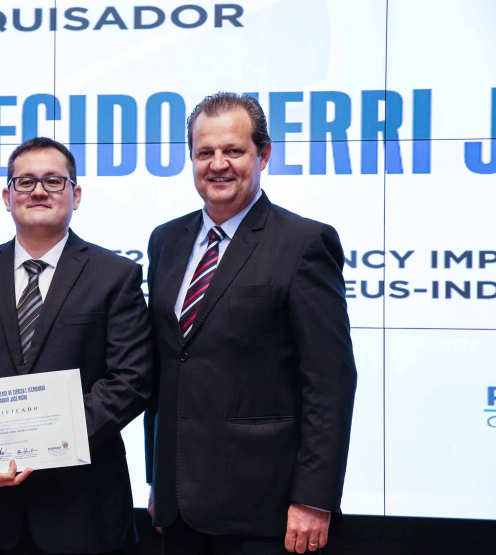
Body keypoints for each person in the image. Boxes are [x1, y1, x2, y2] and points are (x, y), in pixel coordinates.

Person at [144, 92, 358, 555]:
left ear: (263, 155)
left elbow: (330, 382)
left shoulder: (304, 243)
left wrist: (314, 498)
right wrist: (158, 478)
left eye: (233, 150)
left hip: (267, 510)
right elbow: (166, 367)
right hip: (179, 505)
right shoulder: (166, 240)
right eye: (205, 152)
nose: (218, 164)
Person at [0, 137, 153, 555]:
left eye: (53, 180)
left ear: (76, 195)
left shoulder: (115, 275)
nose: (38, 191)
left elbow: (130, 381)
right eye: (25, 181)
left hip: (82, 510)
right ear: (7, 196)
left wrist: (44, 443)